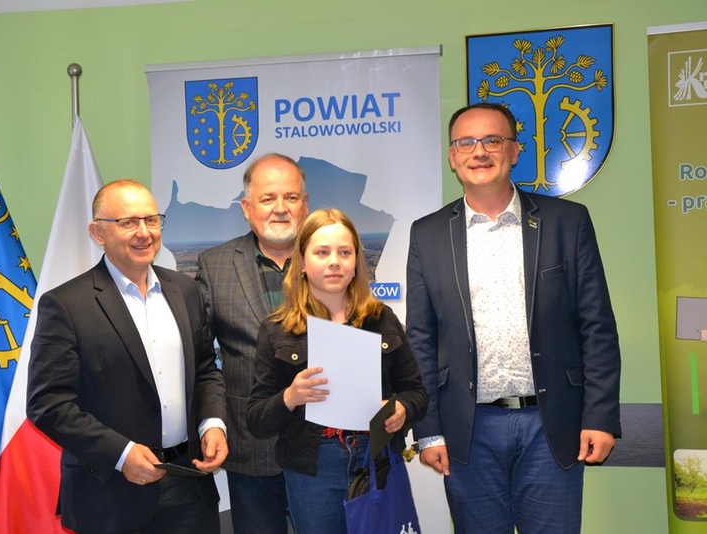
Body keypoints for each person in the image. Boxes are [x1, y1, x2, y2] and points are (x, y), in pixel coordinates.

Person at [406, 102, 621, 533]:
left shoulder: (567, 222)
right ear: (452, 157)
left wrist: (599, 417)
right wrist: (427, 431)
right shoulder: (427, 234)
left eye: (492, 140)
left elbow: (596, 326)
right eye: (466, 142)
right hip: (469, 429)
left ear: (515, 150)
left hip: (551, 424)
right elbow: (421, 339)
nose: (479, 151)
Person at [27, 179, 228, 534]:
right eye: (128, 222)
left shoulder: (185, 290)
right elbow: (48, 403)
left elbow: (205, 368)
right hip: (110, 494)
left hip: (189, 485)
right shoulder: (66, 305)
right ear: (98, 233)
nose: (144, 232)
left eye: (151, 220)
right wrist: (120, 454)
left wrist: (212, 424)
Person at [247, 208, 428, 534]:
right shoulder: (277, 330)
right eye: (322, 252)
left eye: (345, 252)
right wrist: (290, 397)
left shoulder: (382, 319)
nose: (334, 262)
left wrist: (402, 409)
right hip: (312, 468)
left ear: (356, 262)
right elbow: (257, 419)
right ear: (302, 263)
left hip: (375, 459)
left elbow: (416, 393)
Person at [195, 153, 308, 533]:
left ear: (305, 205)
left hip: (325, 446)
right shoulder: (215, 265)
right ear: (247, 208)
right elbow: (200, 360)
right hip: (251, 448)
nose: (281, 208)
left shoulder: (333, 257)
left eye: (291, 197)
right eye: (268, 198)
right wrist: (210, 423)